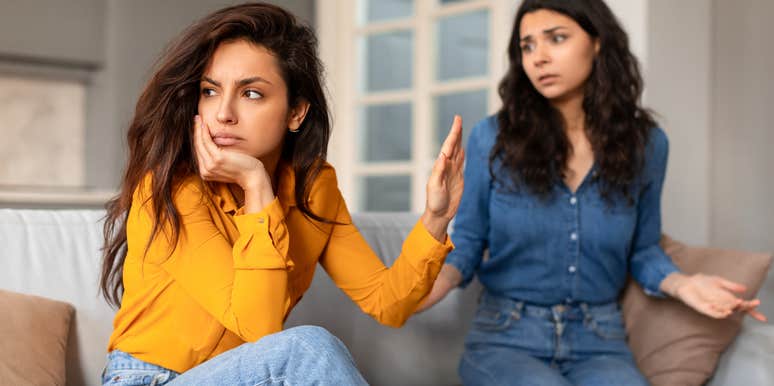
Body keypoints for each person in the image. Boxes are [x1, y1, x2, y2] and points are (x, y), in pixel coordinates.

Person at [98, 3, 465, 385]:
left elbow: (388, 302)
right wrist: (257, 188)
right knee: (306, 347)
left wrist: (436, 217)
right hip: (148, 379)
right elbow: (259, 330)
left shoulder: (313, 188)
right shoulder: (170, 192)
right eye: (210, 91)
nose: (223, 113)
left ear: (296, 113)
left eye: (251, 94)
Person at [416, 0, 766, 385]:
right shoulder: (492, 138)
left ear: (597, 42)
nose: (539, 57)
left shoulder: (647, 144)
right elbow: (467, 243)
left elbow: (644, 249)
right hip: (506, 339)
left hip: (601, 341)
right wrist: (416, 291)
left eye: (557, 39)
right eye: (527, 45)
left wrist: (685, 285)